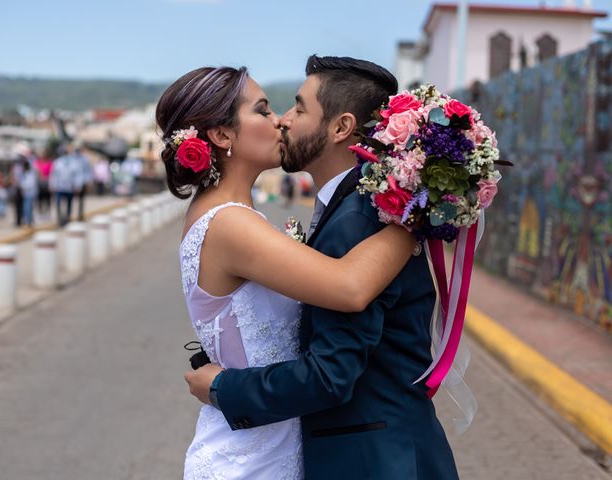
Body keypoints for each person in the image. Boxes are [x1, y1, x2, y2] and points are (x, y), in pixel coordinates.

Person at [183, 57, 459, 479]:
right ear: (222, 135)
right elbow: (346, 289)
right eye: (264, 110)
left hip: (376, 457)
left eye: (296, 107)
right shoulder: (234, 222)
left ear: (340, 127)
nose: (282, 121)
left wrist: (420, 209)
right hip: (272, 453)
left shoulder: (362, 218)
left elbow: (334, 352)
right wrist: (418, 212)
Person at [50, 145, 82, 227]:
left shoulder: (74, 162)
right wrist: (52, 185)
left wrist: (78, 185)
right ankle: (60, 219)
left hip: (70, 187)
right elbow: (53, 175)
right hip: (59, 187)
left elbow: (77, 175)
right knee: (58, 203)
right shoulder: (57, 162)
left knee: (69, 203)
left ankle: (67, 218)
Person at [34, 151, 53, 218]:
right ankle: (40, 213)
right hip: (40, 182)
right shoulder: (37, 162)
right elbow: (36, 171)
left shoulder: (49, 162)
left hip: (47, 182)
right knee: (40, 199)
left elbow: (52, 172)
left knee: (47, 198)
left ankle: (47, 213)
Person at [19, 160, 38, 227]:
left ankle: (29, 221)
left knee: (28, 208)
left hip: (30, 193)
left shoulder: (30, 174)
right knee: (27, 208)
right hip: (26, 193)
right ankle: (29, 221)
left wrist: (23, 186)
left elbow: (30, 184)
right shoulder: (24, 174)